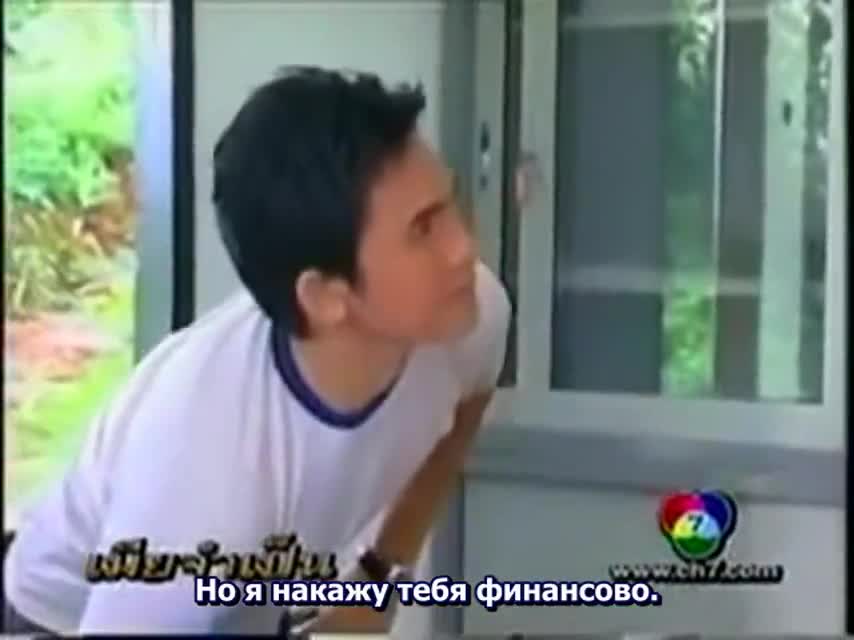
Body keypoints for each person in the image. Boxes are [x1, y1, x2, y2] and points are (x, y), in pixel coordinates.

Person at [3, 66, 510, 635]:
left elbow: (464, 410)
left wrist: (378, 578)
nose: (464, 247)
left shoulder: (472, 314)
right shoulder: (202, 464)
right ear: (325, 296)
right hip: (66, 615)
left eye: (450, 204)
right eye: (423, 230)